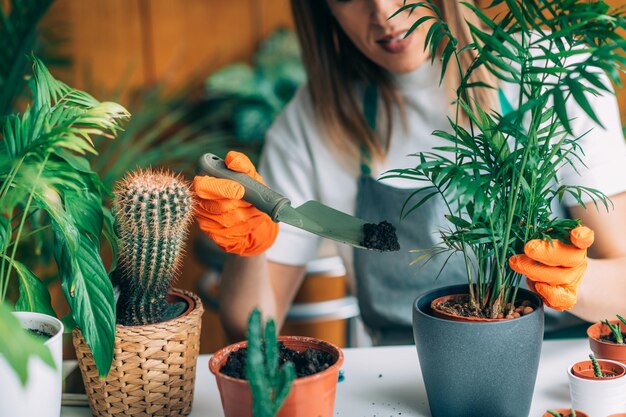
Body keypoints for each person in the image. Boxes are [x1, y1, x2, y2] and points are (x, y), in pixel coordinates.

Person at [194, 0, 626, 344]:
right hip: (404, 380)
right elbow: (249, 326)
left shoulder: (552, 70)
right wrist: (247, 247)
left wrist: (577, 283)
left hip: (565, 371)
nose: (383, 12)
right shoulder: (313, 121)